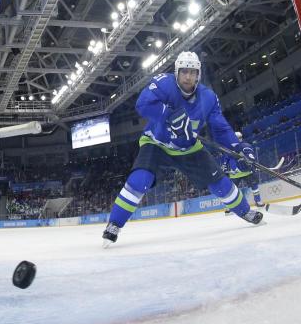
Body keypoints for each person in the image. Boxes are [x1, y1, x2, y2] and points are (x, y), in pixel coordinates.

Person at [103, 51, 263, 247]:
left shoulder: (208, 98)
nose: (188, 76)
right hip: (156, 142)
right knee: (140, 179)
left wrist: (239, 147)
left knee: (220, 184)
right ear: (177, 72)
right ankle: (114, 224)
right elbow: (142, 104)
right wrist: (168, 114)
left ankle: (245, 211)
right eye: (184, 71)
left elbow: (220, 129)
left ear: (199, 74)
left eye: (192, 72)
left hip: (188, 148)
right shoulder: (163, 83)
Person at [219, 132, 263, 210]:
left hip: (247, 172)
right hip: (235, 174)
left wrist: (251, 163)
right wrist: (225, 167)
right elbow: (225, 159)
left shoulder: (245, 146)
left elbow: (251, 156)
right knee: (231, 191)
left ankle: (258, 201)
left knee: (254, 186)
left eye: (239, 137)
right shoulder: (228, 148)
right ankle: (230, 207)